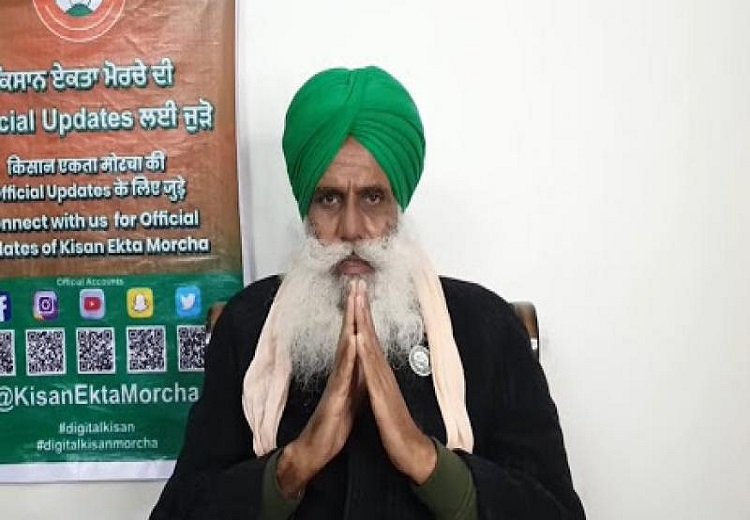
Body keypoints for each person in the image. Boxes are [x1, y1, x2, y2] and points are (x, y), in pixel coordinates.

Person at [151, 66, 585, 519]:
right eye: (329, 199)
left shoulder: (486, 328)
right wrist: (296, 462)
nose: (352, 228)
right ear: (307, 208)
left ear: (398, 203)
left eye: (373, 198)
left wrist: (426, 460)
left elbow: (556, 512)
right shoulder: (248, 327)